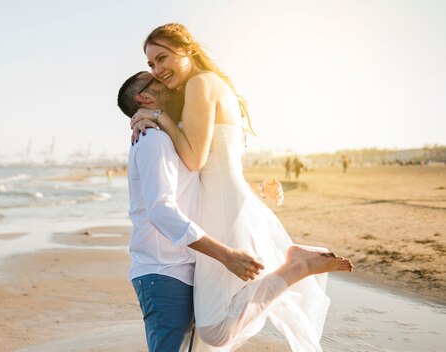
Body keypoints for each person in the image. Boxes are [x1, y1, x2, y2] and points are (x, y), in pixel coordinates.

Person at [130, 23, 352, 351]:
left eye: (163, 58)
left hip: (221, 209)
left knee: (215, 329)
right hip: (225, 202)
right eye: (151, 65)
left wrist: (159, 117)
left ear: (187, 49)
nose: (158, 69)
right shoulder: (209, 86)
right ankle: (294, 265)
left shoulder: (201, 84)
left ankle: (296, 267)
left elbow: (193, 159)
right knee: (214, 326)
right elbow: (216, 163)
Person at [118, 71, 271, 352]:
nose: (171, 84)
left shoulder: (171, 138)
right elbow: (161, 211)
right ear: (145, 97)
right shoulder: (153, 141)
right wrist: (226, 255)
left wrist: (255, 192)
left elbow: (203, 190)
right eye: (158, 81)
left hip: (184, 269)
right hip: (163, 272)